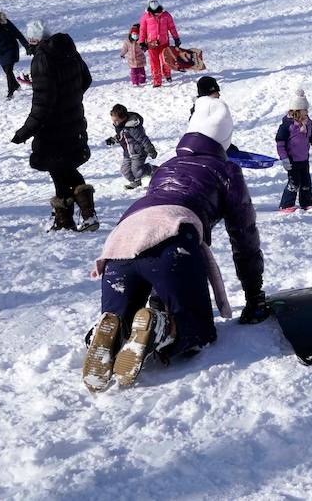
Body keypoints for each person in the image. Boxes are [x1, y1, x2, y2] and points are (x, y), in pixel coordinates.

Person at [82, 97, 267, 392]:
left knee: (121, 315)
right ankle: (162, 328)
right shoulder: (226, 171)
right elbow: (243, 235)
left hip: (120, 242)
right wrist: (254, 294)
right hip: (172, 239)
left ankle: (106, 332)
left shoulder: (167, 166)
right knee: (196, 330)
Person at [11, 20, 97, 232]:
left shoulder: (42, 59)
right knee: (64, 169)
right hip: (74, 120)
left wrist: (25, 132)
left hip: (53, 128)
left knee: (60, 171)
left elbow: (43, 103)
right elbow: (86, 79)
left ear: (34, 40)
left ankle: (74, 219)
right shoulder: (69, 50)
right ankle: (72, 219)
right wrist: (71, 98)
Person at [276, 90, 312, 212]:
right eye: (305, 110)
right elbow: (280, 143)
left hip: (304, 159)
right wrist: (284, 158)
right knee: (294, 183)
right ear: (297, 111)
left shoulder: (309, 124)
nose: (307, 112)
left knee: (306, 183)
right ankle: (286, 205)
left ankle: (306, 203)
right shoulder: (287, 126)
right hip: (292, 160)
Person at [105, 104, 158, 190]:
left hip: (138, 152)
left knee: (137, 171)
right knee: (125, 171)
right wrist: (113, 139)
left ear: (123, 118)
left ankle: (152, 169)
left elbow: (143, 139)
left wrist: (150, 150)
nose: (114, 123)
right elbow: (121, 136)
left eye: (116, 121)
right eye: (113, 121)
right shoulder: (121, 125)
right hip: (127, 153)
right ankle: (136, 182)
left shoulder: (133, 128)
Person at [0, 11, 31, 99]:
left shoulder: (5, 24)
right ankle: (15, 85)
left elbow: (18, 34)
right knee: (7, 71)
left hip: (10, 49)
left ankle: (11, 91)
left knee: (8, 70)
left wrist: (27, 46)